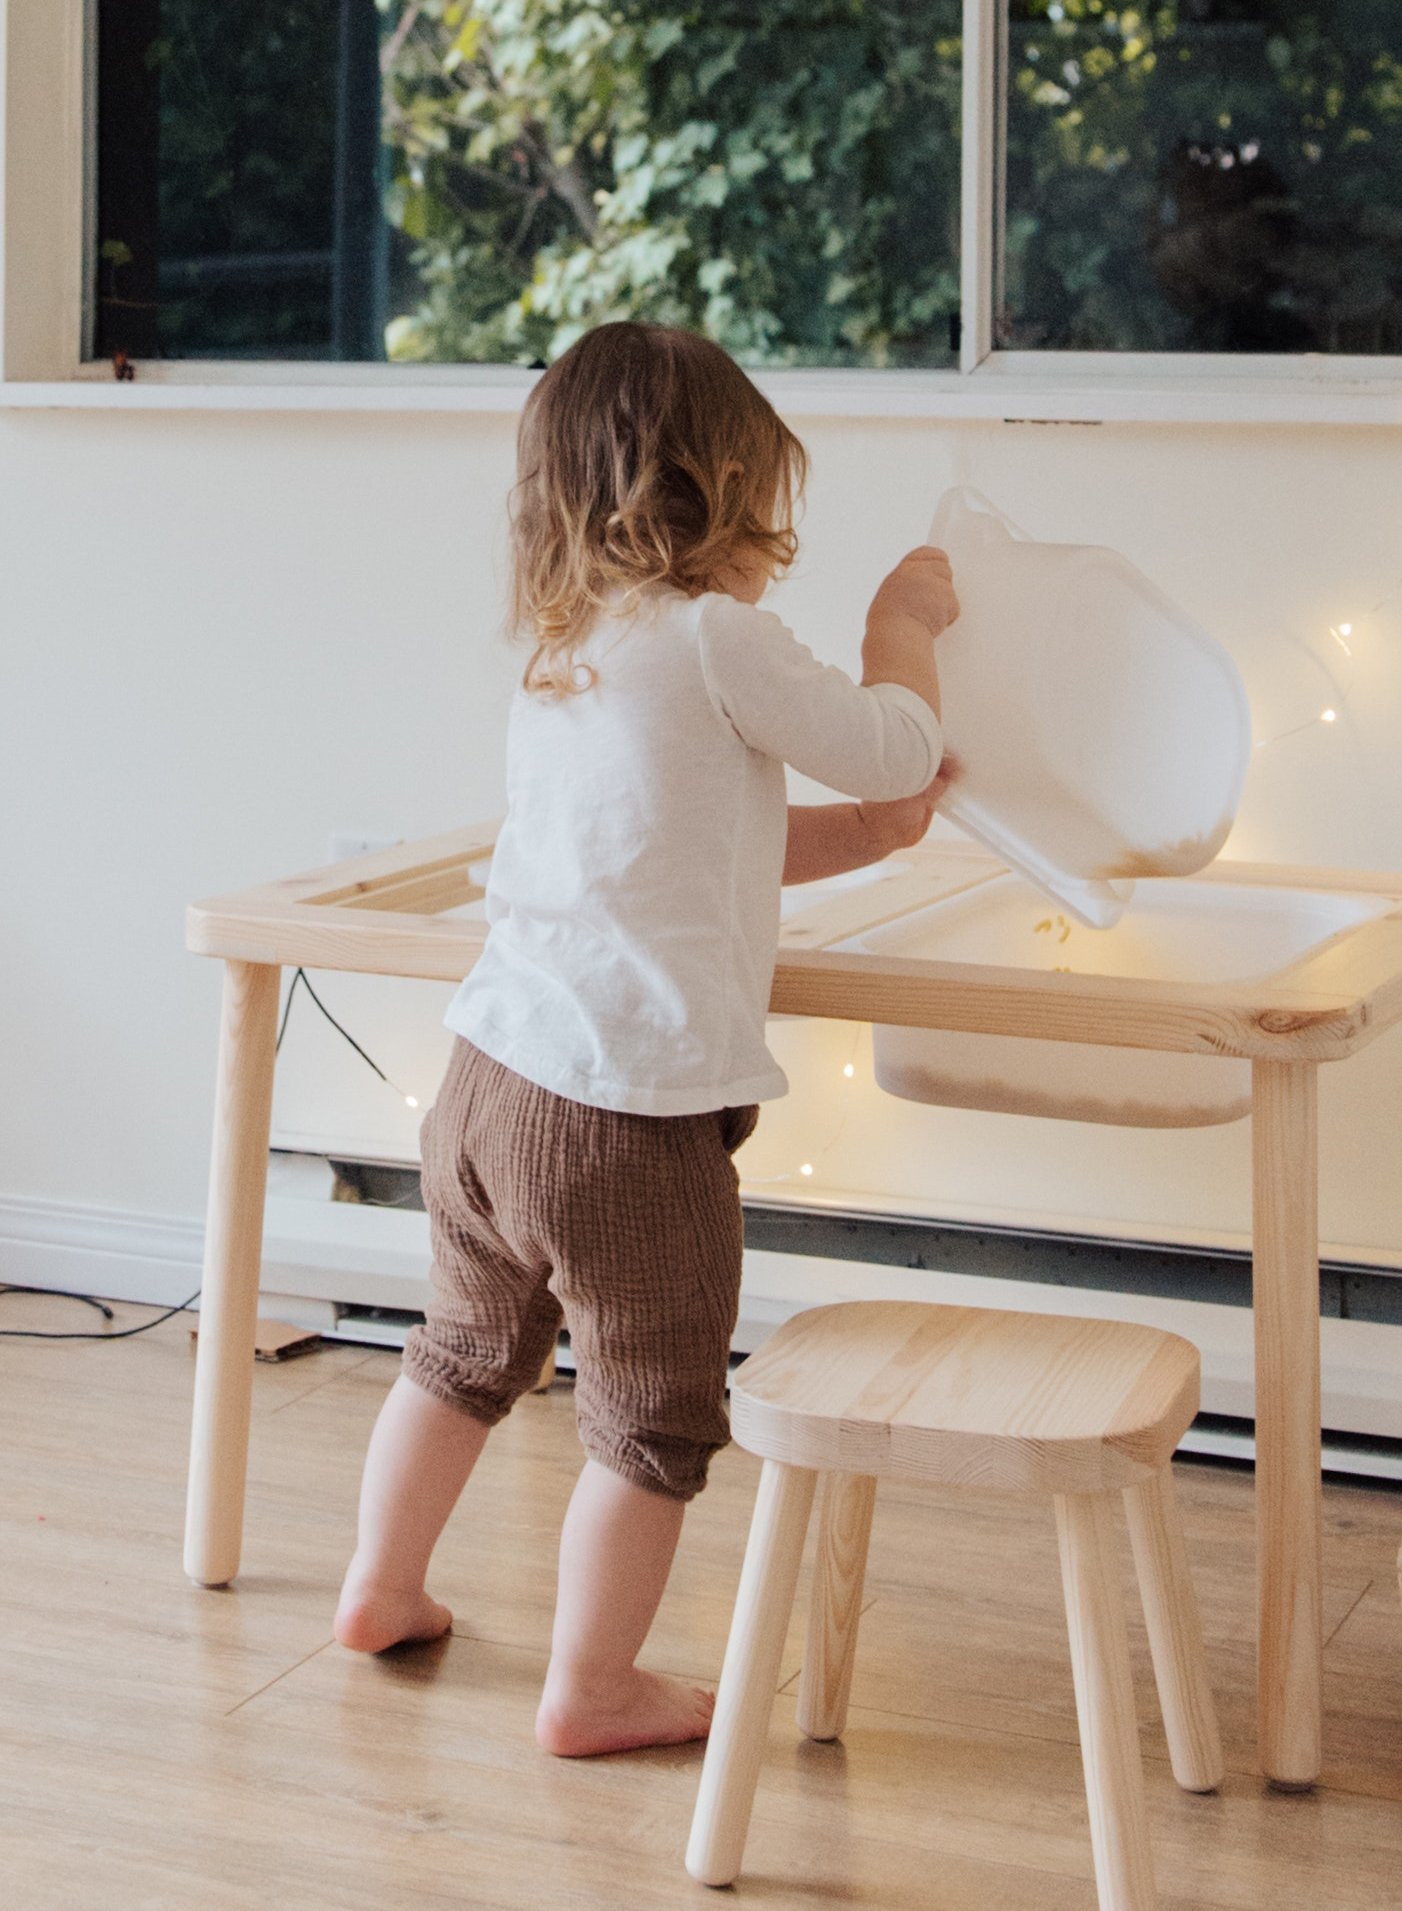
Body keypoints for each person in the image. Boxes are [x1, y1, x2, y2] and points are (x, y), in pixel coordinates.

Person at [330, 321, 957, 1756]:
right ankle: (594, 1687)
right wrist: (906, 626)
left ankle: (381, 1585)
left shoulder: (570, 651)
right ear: (724, 491)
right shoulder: (713, 634)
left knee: (462, 1350)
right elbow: (897, 741)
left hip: (487, 1087)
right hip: (622, 1123)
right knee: (652, 1413)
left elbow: (688, 840)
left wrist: (870, 839)